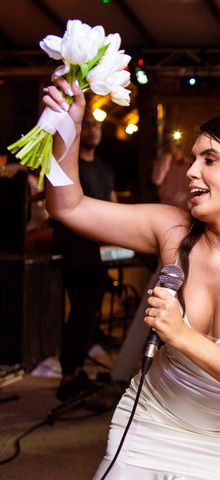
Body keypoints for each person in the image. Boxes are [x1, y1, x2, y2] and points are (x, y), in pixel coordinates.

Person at [44, 79, 220, 479]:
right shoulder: (173, 229)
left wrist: (182, 335)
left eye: (209, 160)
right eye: (192, 159)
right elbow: (68, 206)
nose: (190, 171)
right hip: (155, 421)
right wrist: (68, 127)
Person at [52, 109, 117, 402]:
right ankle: (68, 375)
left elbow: (113, 208)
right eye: (88, 125)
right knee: (79, 313)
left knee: (90, 313)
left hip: (99, 253)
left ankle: (77, 371)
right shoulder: (73, 167)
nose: (94, 130)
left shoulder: (104, 168)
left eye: (97, 126)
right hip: (75, 252)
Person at [151, 139, 190, 209]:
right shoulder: (162, 162)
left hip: (185, 206)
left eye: (179, 146)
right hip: (167, 205)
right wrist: (166, 159)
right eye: (175, 145)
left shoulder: (189, 164)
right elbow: (157, 180)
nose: (177, 148)